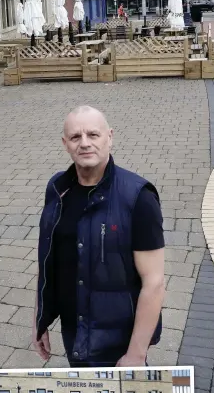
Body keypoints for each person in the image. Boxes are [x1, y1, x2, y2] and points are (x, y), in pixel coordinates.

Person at [32, 105, 165, 367]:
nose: (84, 144)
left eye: (93, 135)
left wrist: (136, 355)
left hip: (118, 343)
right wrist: (39, 320)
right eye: (75, 137)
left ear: (109, 137)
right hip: (75, 333)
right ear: (65, 144)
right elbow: (47, 260)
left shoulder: (138, 197)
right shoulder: (57, 189)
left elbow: (155, 282)